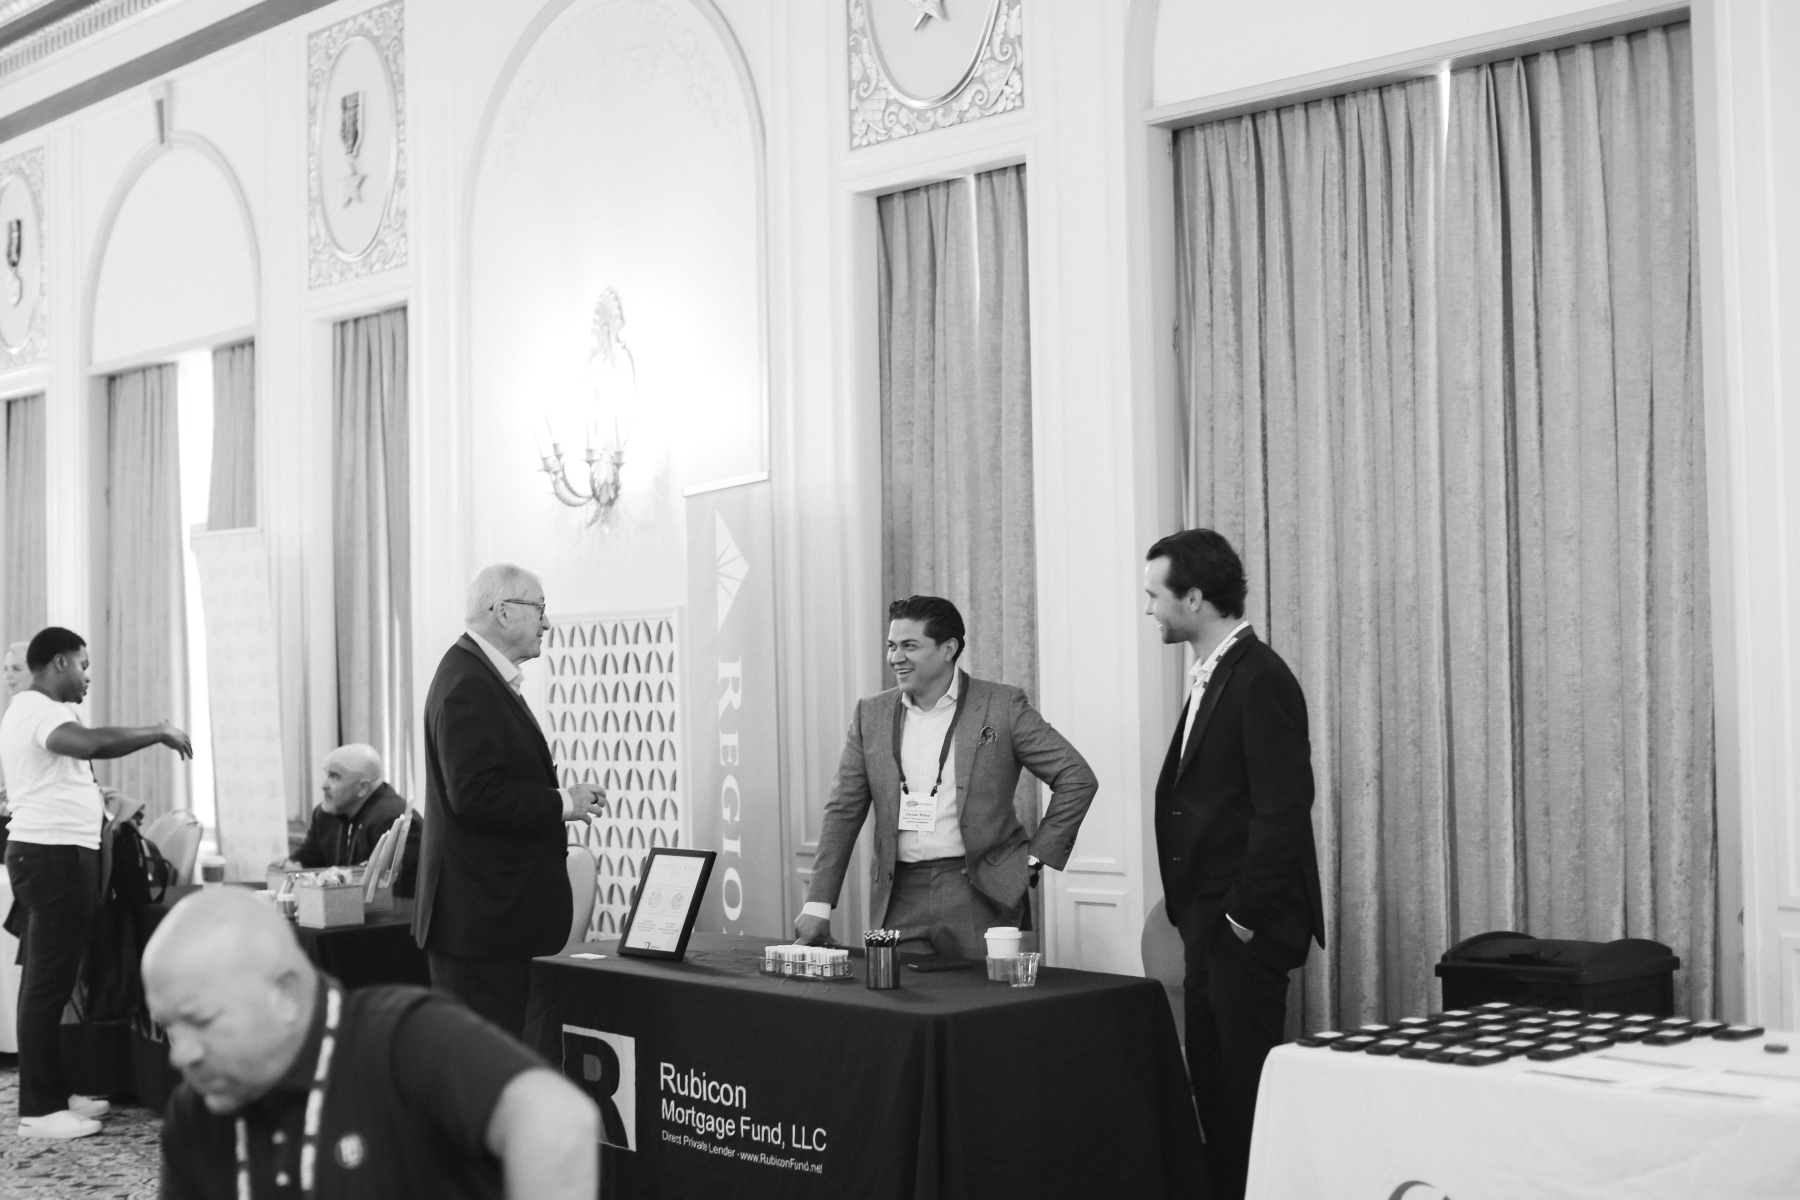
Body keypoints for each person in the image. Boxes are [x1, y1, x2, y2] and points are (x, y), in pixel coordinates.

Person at [148, 887, 599, 1200]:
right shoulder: (193, 1114)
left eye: (200, 1021)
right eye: (169, 1027)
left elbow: (557, 1121)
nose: (180, 1054)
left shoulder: (403, 1040)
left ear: (284, 995)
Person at [1143, 530, 1325, 1200]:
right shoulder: (1214, 671)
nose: (1149, 609)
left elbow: (1283, 810)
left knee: (1245, 1101)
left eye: (1155, 595)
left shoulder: (1260, 676)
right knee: (1216, 1096)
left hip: (1243, 926)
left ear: (1194, 597)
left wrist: (1240, 918)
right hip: (1209, 922)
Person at [794, 596, 1098, 960]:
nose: (896, 657)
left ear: (948, 649)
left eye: (910, 646)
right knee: (900, 995)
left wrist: (1034, 860)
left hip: (982, 892)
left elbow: (1076, 776)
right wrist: (817, 904)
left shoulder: (1001, 705)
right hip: (899, 896)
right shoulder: (870, 715)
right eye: (891, 646)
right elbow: (843, 810)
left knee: (984, 997)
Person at [0, 625, 192, 1139]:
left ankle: (54, 1093)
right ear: (59, 662)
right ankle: (39, 1111)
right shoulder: (40, 710)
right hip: (52, 858)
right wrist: (158, 732)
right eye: (83, 664)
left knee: (53, 982)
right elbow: (89, 744)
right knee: (47, 986)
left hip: (56, 856)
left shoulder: (34, 709)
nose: (88, 676)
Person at [413, 564, 605, 1038]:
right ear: (502, 612)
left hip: (492, 922)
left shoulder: (478, 675)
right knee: (483, 1066)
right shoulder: (468, 683)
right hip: (481, 926)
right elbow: (473, 795)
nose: (547, 623)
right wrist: (563, 802)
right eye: (539, 609)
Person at [283, 743, 420, 896]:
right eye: (327, 775)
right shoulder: (326, 815)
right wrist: (291, 866)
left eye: (334, 776)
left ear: (362, 788)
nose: (324, 785)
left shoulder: (393, 820)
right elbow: (306, 862)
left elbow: (387, 893)